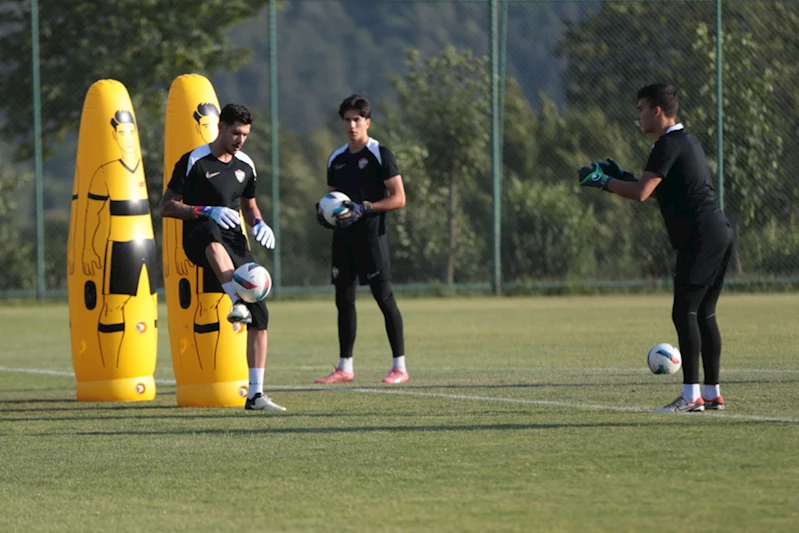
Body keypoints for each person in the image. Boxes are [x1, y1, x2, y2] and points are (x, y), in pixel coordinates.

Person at [578, 83, 733, 413]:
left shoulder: (666, 143)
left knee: (685, 312)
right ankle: (711, 393)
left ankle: (691, 398)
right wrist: (623, 176)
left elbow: (642, 193)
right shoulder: (682, 140)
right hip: (718, 232)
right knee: (704, 313)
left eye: (640, 109)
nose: (637, 116)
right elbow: (658, 186)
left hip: (701, 238)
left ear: (657, 111)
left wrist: (603, 182)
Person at [160, 103, 285, 411]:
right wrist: (205, 210)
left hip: (234, 240)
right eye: (235, 133)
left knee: (261, 316)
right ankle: (236, 301)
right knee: (211, 237)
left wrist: (258, 223)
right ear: (220, 127)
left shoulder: (246, 165)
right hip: (198, 234)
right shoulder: (194, 161)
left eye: (244, 135)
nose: (239, 140)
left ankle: (255, 395)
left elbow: (249, 204)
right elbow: (167, 205)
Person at [314, 94, 409, 385]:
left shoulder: (381, 154)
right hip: (344, 241)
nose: (352, 124)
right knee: (343, 300)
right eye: (347, 119)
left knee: (384, 299)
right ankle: (345, 367)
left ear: (367, 122)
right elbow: (332, 199)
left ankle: (399, 367)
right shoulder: (336, 158)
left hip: (372, 239)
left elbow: (399, 198)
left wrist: (366, 207)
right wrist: (324, 214)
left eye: (357, 119)